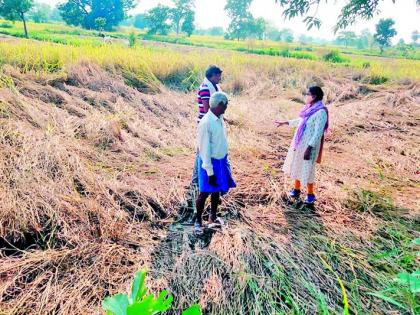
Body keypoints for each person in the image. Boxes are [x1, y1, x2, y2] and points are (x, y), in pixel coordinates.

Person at [276, 86, 329, 204]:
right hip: (300, 144)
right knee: (297, 165)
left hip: (309, 146)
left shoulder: (321, 112)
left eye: (307, 94)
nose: (306, 96)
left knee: (308, 169)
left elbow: (318, 133)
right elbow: (300, 121)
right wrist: (286, 122)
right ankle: (297, 189)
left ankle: (310, 194)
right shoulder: (310, 108)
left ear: (314, 96)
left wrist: (309, 148)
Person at [195, 92, 236, 235]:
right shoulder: (206, 123)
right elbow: (204, 150)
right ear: (220, 105)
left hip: (220, 161)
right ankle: (198, 221)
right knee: (204, 192)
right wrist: (210, 172)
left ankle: (212, 217)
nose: (226, 108)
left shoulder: (219, 118)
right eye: (226, 105)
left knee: (216, 190)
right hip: (209, 164)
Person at [192, 65, 223, 187]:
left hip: (212, 122)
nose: (220, 78)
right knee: (202, 151)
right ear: (212, 75)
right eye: (218, 75)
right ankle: (196, 179)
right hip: (206, 124)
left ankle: (202, 177)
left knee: (208, 150)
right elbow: (207, 109)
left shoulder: (215, 87)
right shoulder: (205, 88)